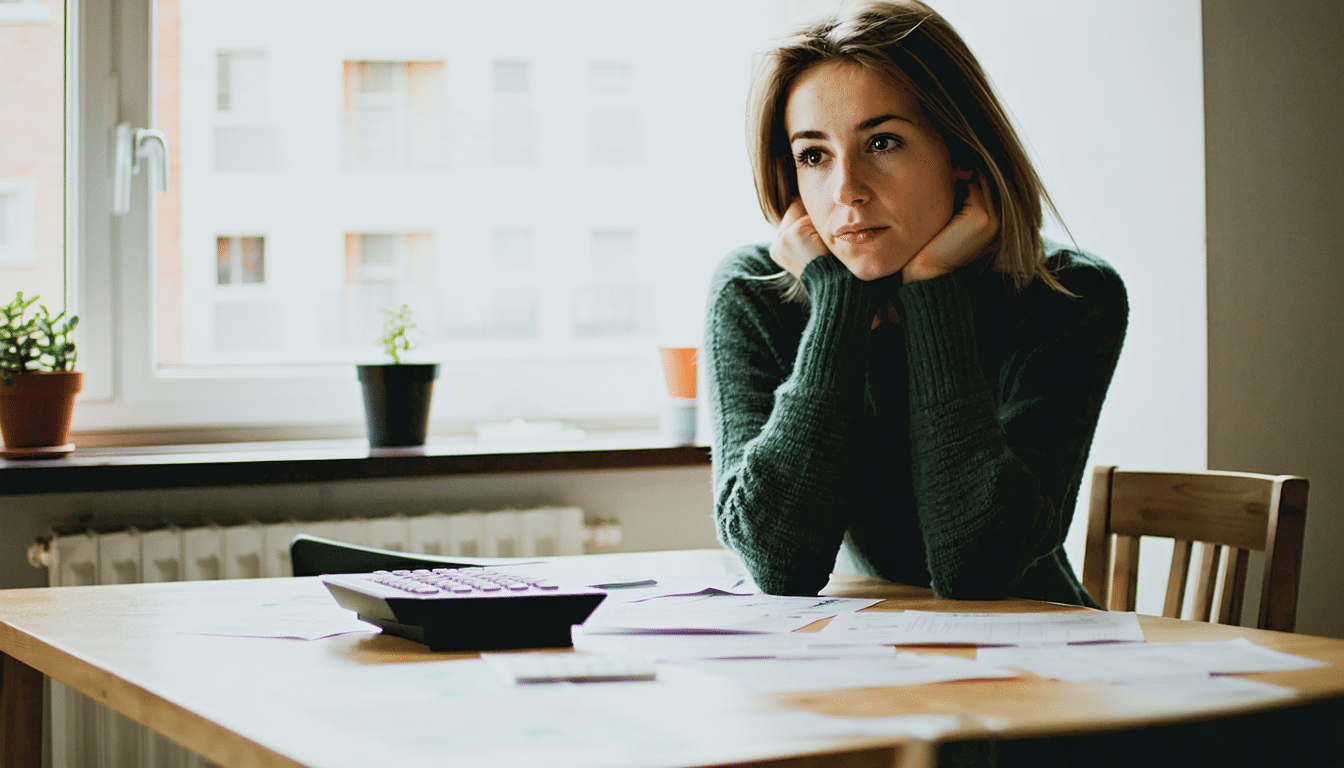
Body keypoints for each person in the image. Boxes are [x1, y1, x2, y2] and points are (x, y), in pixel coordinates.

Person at [705, 0, 1127, 606]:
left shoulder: (1070, 297)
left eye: (882, 142)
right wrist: (837, 307)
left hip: (1039, 642)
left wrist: (932, 290)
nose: (846, 190)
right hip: (859, 646)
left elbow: (978, 569)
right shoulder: (754, 291)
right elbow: (778, 563)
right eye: (814, 155)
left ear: (961, 152)